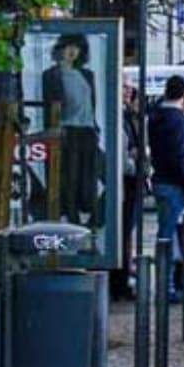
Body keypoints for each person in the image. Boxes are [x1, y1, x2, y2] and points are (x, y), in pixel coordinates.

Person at [147, 75, 184, 302]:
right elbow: (181, 156)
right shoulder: (178, 120)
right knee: (169, 236)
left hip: (160, 180)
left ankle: (168, 284)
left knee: (166, 235)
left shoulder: (156, 115)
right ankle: (166, 288)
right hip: (174, 183)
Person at [42, 33, 100, 226]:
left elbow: (92, 104)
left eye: (77, 47)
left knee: (89, 177)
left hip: (87, 130)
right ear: (60, 49)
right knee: (69, 177)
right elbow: (49, 106)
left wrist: (95, 127)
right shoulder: (51, 75)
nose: (72, 51)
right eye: (68, 46)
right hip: (67, 131)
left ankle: (92, 217)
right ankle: (71, 215)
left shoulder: (87, 74)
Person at [114, 83, 144, 302]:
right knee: (123, 231)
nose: (127, 92)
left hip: (130, 181)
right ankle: (119, 280)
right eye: (123, 87)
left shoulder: (129, 118)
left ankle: (123, 275)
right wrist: (135, 159)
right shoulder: (121, 119)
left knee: (126, 231)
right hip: (125, 181)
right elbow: (124, 155)